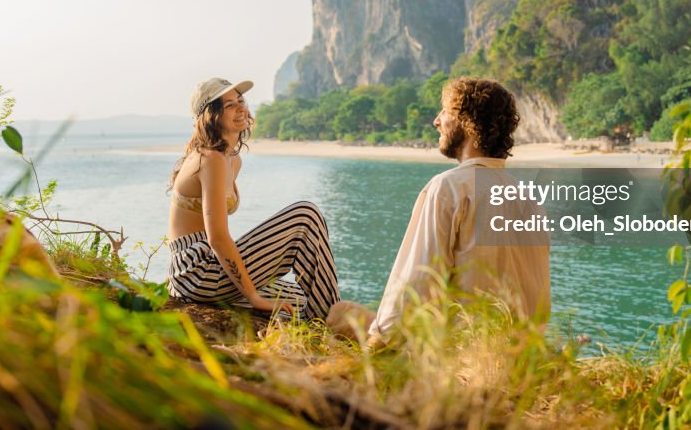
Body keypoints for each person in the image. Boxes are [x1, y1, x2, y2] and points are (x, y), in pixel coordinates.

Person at [328, 77, 550, 343]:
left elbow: (414, 286)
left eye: (445, 111)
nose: (436, 120)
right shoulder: (529, 199)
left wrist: (377, 349)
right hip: (520, 354)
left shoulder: (448, 188)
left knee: (340, 313)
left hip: (457, 353)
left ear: (467, 121)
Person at [167, 77, 340, 320]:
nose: (240, 108)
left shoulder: (231, 160)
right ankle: (337, 322)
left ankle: (330, 319)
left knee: (301, 301)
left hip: (208, 270)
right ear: (211, 115)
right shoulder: (210, 159)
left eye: (240, 101)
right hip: (196, 271)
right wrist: (253, 297)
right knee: (305, 216)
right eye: (228, 105)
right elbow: (217, 238)